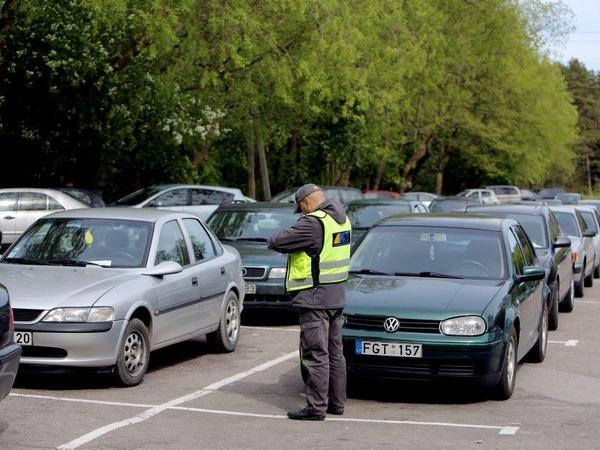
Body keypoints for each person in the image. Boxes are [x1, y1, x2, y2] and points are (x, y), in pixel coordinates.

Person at [267, 183, 352, 421]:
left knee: (316, 355)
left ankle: (316, 408)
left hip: (315, 299)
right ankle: (337, 403)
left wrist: (273, 237)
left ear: (305, 203)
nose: (302, 213)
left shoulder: (313, 222)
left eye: (301, 208)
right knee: (336, 354)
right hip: (336, 297)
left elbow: (278, 241)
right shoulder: (342, 220)